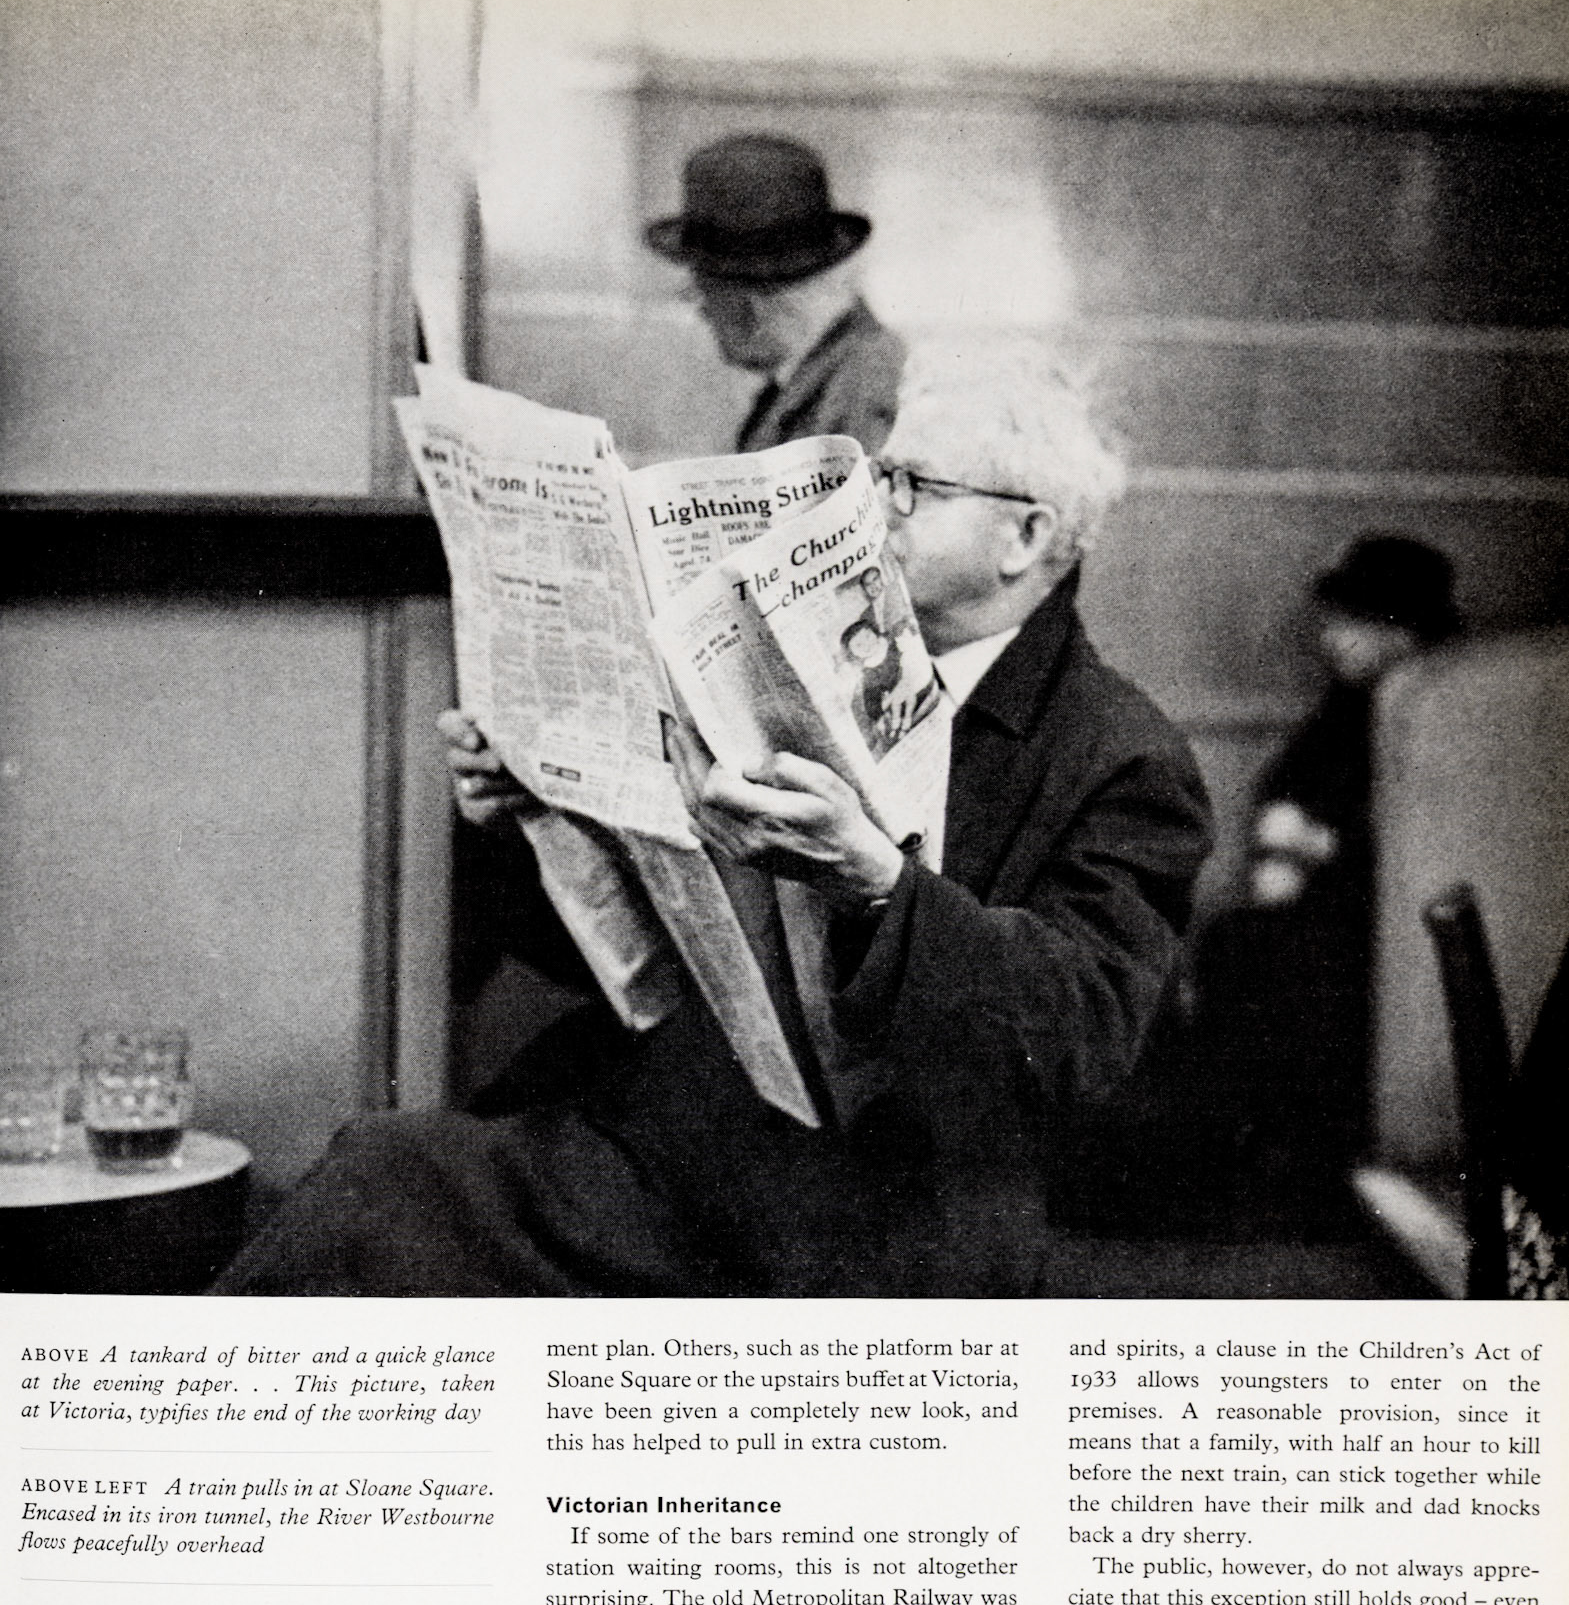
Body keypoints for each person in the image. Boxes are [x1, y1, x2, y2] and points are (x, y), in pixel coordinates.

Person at [212, 340, 1212, 1297]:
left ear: (1027, 537)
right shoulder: (800, 655)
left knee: (383, 1189)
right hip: (693, 1130)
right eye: (875, 479)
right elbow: (659, 946)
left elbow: (1078, 1044)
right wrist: (538, 810)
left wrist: (876, 882)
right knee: (376, 1177)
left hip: (871, 1205)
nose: (877, 512)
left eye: (916, 488)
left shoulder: (1121, 755)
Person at [1194, 535, 1462, 1209]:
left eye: (1351, 622)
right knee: (1241, 946)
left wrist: (1314, 846)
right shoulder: (1354, 701)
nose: (1330, 638)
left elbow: (1423, 834)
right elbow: (1289, 784)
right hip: (1329, 909)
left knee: (1265, 959)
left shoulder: (1433, 705)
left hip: (1383, 921)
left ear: (1399, 631)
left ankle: (1291, 1168)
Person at [644, 133, 905, 454]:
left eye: (702, 290)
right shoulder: (829, 372)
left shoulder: (865, 389)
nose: (702, 312)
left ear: (752, 302)